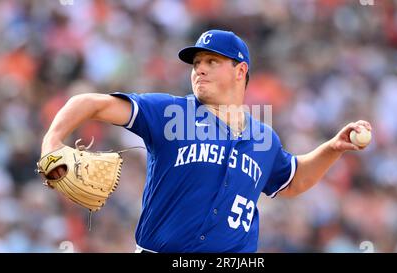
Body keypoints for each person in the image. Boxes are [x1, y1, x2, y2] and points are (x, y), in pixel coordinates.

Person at [40, 29, 372, 253]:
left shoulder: (263, 138)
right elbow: (89, 103)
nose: (200, 69)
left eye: (212, 62)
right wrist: (52, 141)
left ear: (240, 71)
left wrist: (332, 148)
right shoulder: (171, 113)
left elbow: (294, 180)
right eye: (196, 63)